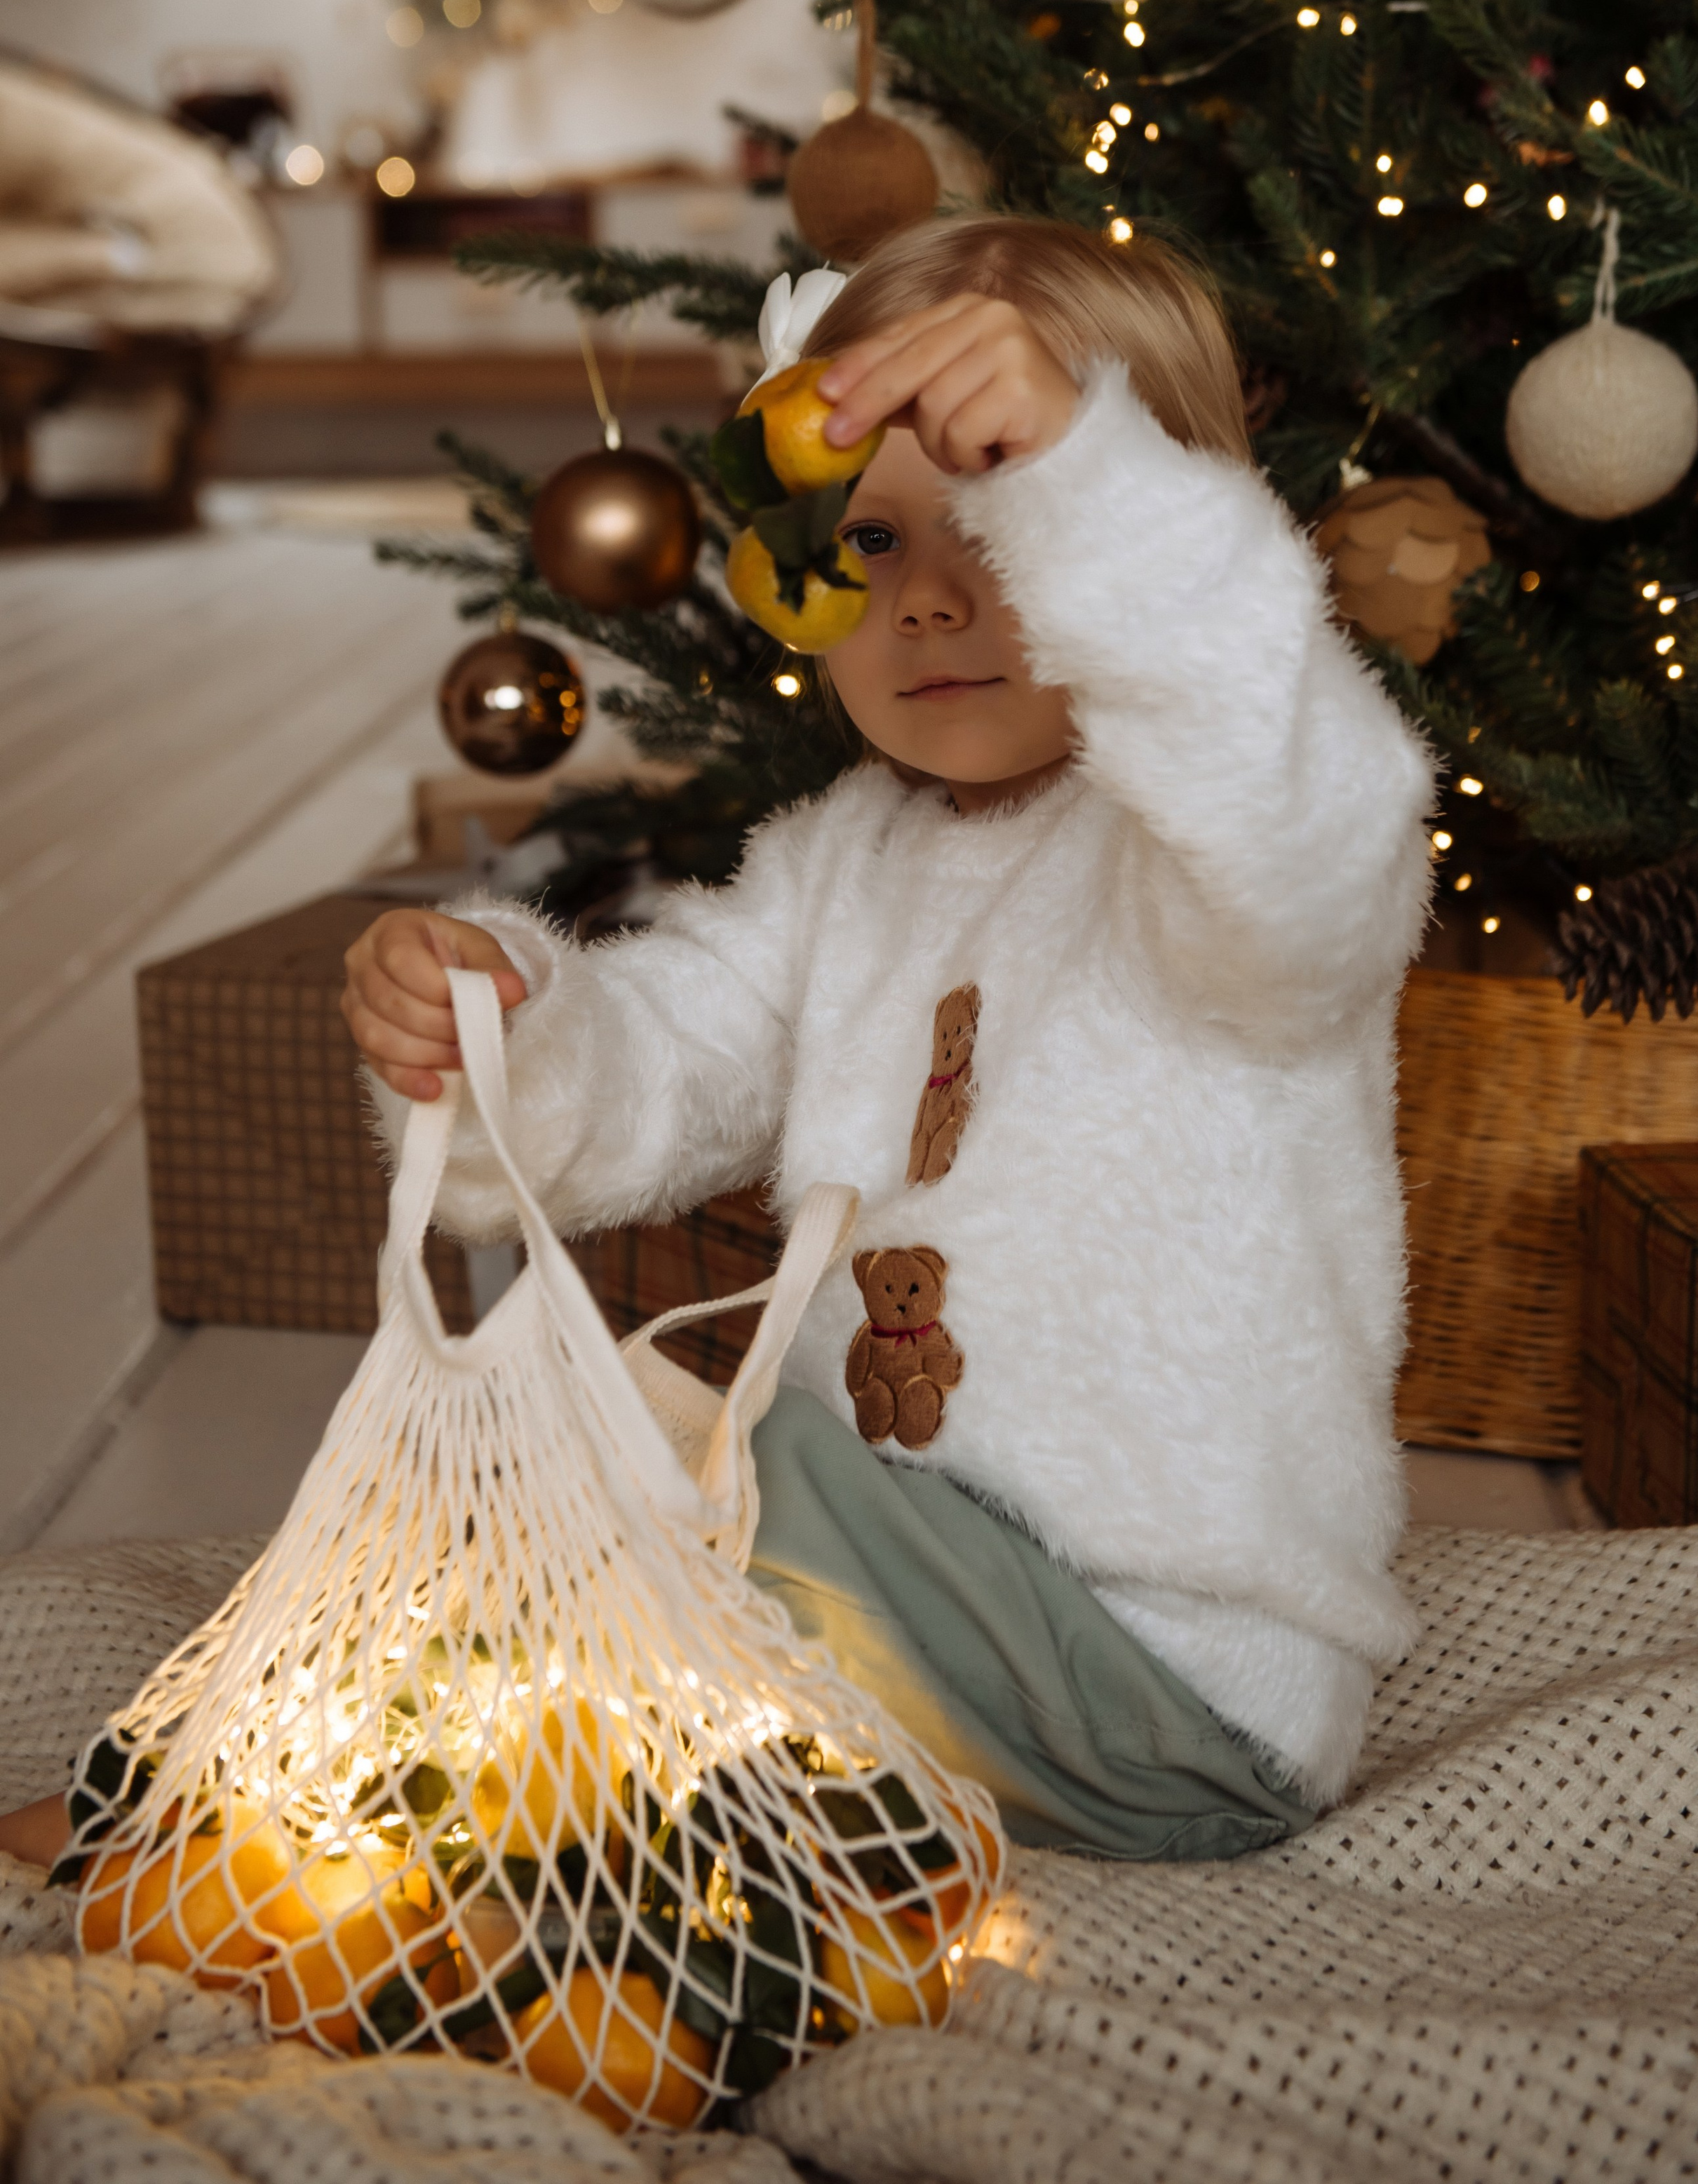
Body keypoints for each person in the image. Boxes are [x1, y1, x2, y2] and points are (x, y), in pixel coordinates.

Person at [0, 215, 1434, 1876]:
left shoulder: (1218, 851)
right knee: (580, 1484)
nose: (928, 599)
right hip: (893, 1590)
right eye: (872, 537)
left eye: (1000, 522)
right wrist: (505, 1026)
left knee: (635, 1528)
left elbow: (1281, 777)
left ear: (1147, 542)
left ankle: (237, 1805)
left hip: (1160, 1671)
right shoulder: (848, 857)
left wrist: (1091, 483)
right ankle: (297, 1775)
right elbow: (662, 1059)